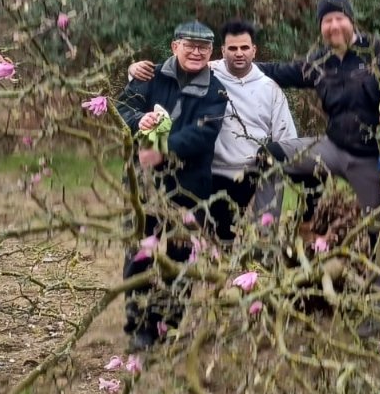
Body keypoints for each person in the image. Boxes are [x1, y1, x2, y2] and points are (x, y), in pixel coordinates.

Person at [127, 20, 298, 243]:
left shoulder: (270, 89)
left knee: (259, 239)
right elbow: (176, 64)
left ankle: (259, 262)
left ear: (254, 51)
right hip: (213, 171)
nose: (239, 53)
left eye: (244, 48)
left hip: (252, 172)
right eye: (232, 48)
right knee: (203, 239)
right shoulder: (208, 70)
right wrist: (133, 70)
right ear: (222, 51)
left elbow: (288, 140)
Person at [116, 20, 229, 350]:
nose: (196, 52)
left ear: (210, 53)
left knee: (180, 255)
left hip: (189, 186)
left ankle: (167, 324)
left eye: (203, 48)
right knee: (138, 253)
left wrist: (161, 151)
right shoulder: (148, 76)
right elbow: (123, 107)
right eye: (189, 45)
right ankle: (138, 326)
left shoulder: (215, 90)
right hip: (144, 184)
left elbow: (203, 134)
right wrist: (141, 121)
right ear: (174, 46)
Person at [262, 0, 380, 215]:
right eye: (327, 20)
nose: (334, 26)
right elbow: (279, 72)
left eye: (339, 18)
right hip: (332, 147)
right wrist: (234, 66)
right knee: (269, 154)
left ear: (351, 20)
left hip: (369, 156)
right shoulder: (320, 61)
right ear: (321, 26)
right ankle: (294, 221)